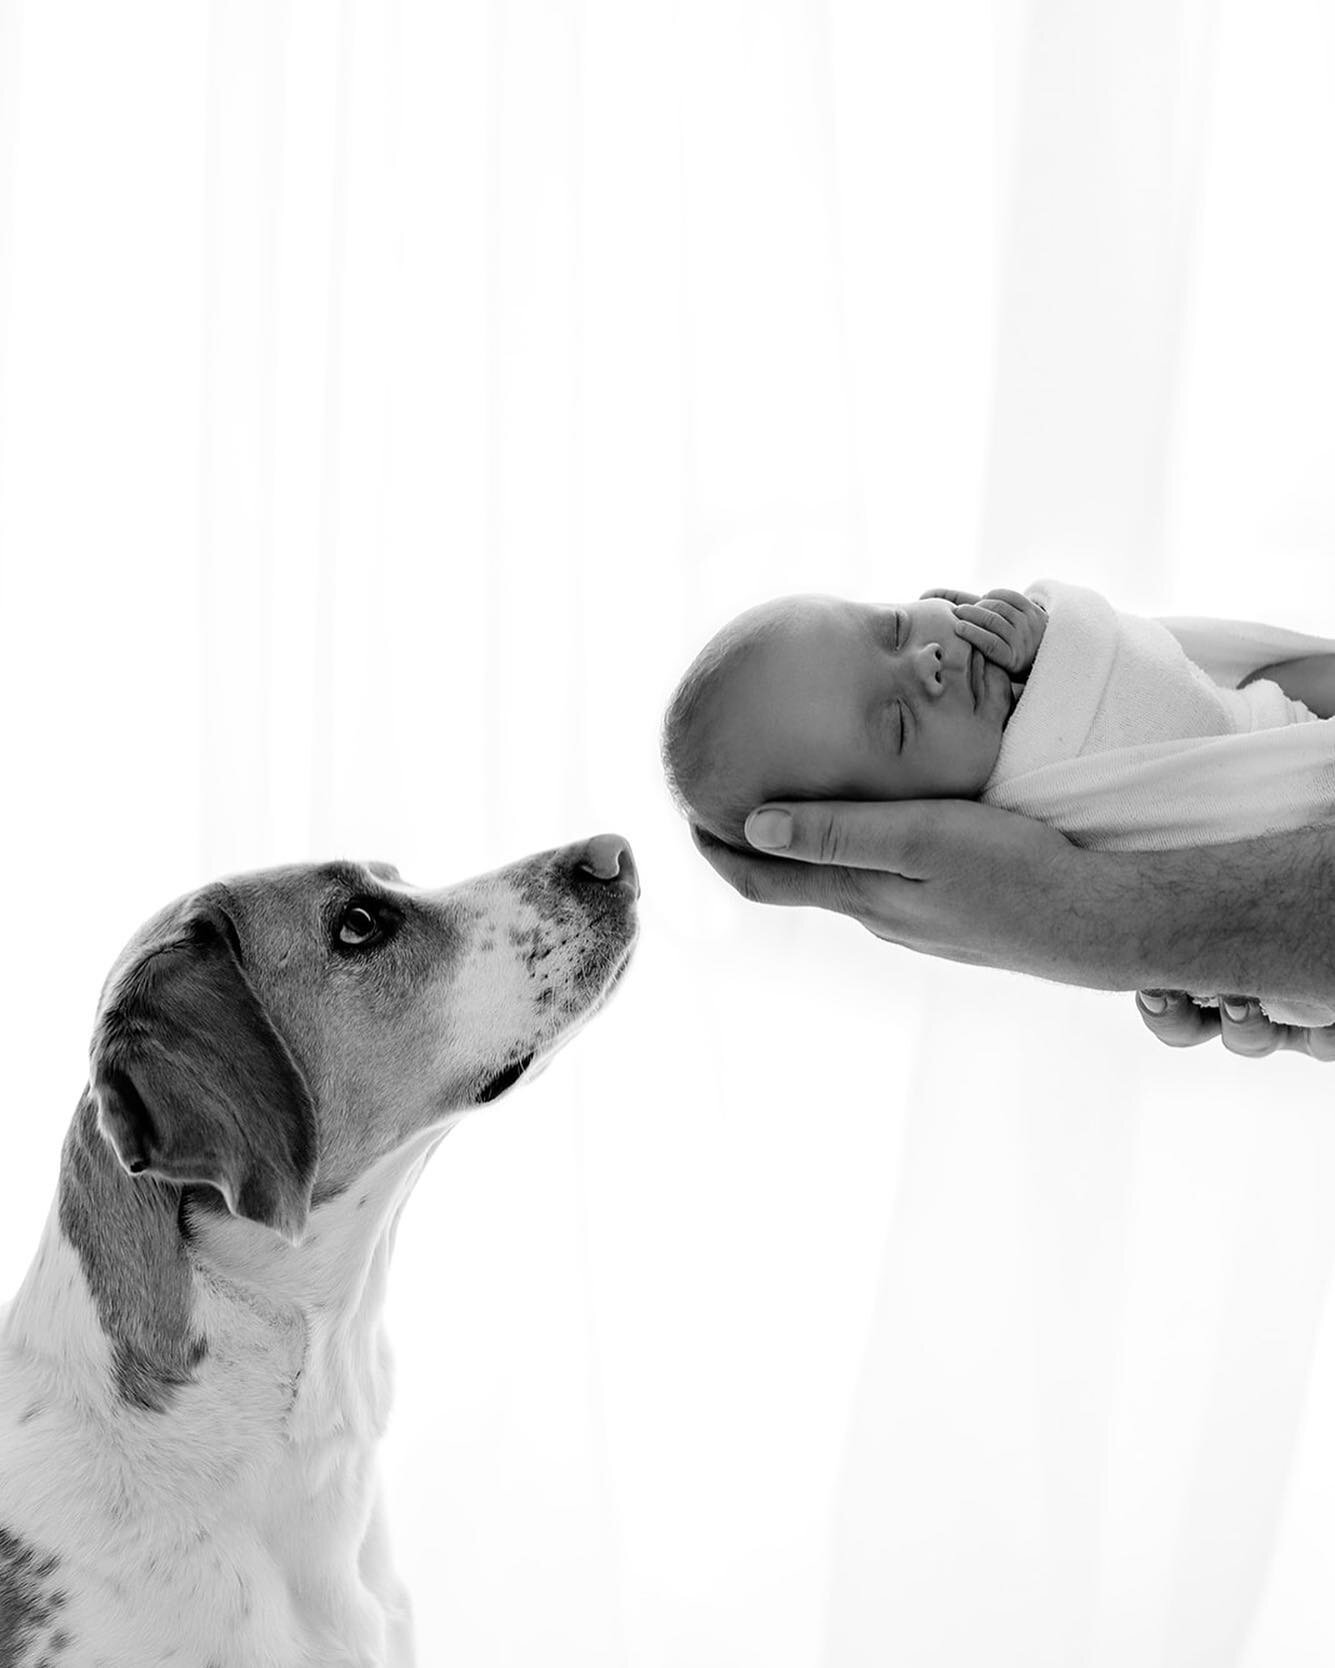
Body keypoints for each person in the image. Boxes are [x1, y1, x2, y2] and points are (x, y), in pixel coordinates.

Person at [663, 582, 1335, 1057]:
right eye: (896, 725)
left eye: (891, 627)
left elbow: (1194, 705)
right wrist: (1064, 644)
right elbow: (1168, 709)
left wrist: (1042, 635)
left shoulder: (1013, 871)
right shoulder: (1031, 798)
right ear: (900, 823)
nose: (923, 661)